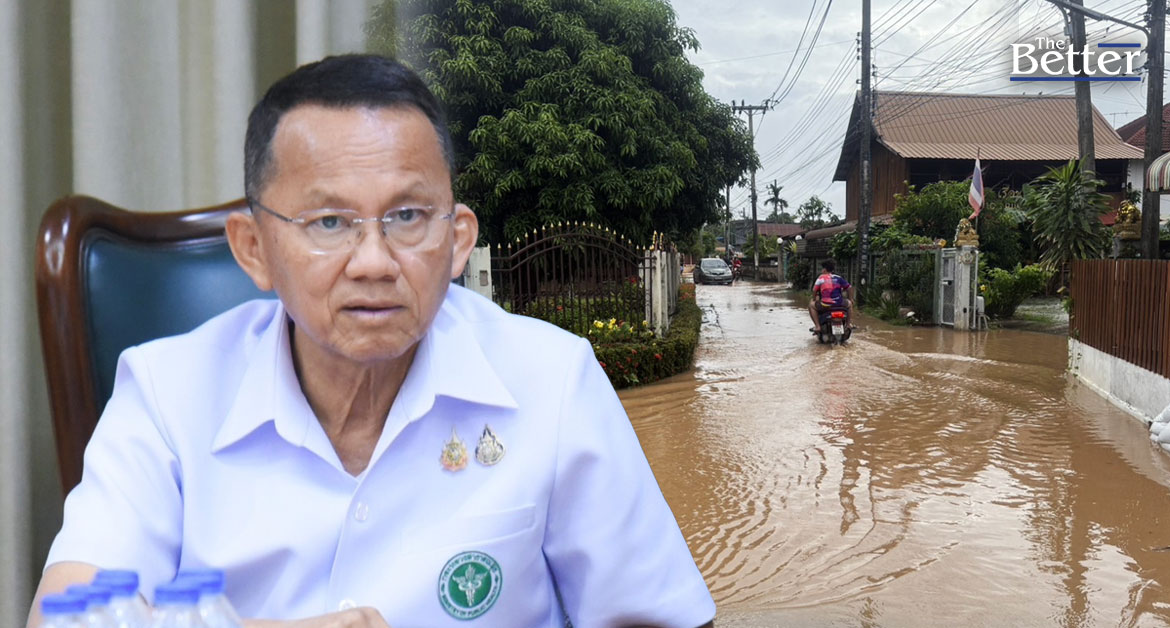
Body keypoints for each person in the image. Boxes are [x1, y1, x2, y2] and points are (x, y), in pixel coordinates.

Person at [29, 55, 715, 628]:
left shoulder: (553, 381)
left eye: (408, 216)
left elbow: (658, 615)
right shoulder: (166, 393)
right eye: (329, 223)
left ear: (457, 241)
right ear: (254, 249)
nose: (374, 262)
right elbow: (65, 615)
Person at [808, 259, 852, 331]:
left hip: (826, 305)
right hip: (840, 304)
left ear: (824, 270)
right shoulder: (838, 277)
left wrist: (813, 299)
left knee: (811, 305)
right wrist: (850, 299)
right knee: (850, 304)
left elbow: (814, 290)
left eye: (822, 269)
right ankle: (848, 324)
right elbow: (849, 288)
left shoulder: (821, 278)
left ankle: (817, 326)